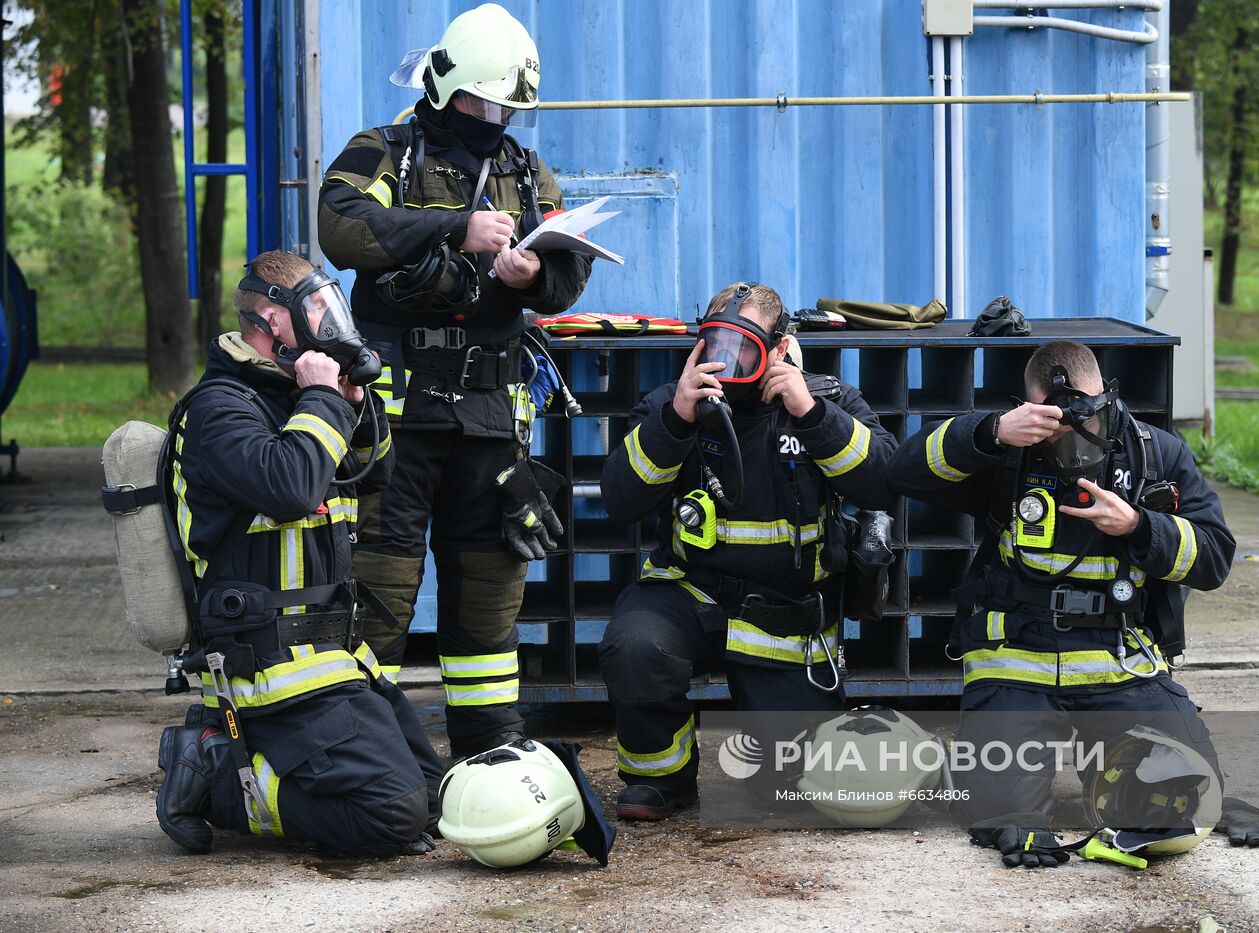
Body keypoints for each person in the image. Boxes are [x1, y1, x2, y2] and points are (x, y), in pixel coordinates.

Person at [890, 339, 1259, 866]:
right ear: (1030, 406)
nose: (1073, 434)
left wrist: (1138, 526)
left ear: (1106, 397)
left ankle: (1107, 762)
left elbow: (1215, 559)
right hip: (1018, 661)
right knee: (998, 815)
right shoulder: (1007, 452)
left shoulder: (1154, 453)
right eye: (1054, 419)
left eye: (1087, 415)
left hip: (1117, 661)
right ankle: (976, 771)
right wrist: (991, 431)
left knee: (1182, 794)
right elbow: (902, 471)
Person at [317, 3, 591, 759]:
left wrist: (535, 272)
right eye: (483, 101)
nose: (496, 117)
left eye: (508, 105)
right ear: (446, 91)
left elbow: (569, 274)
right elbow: (339, 225)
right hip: (398, 425)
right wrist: (452, 229)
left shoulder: (525, 171)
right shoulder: (383, 151)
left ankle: (489, 753)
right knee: (380, 589)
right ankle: (362, 752)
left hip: (490, 424)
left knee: (487, 599)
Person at [155, 250, 446, 856]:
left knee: (431, 797)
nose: (329, 323)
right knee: (391, 815)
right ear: (270, 320)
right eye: (315, 309)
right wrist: (323, 400)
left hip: (331, 659)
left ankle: (235, 765)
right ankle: (218, 781)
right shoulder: (218, 409)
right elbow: (289, 489)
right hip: (266, 668)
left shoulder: (297, 400)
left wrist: (354, 407)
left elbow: (372, 476)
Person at [598, 282, 898, 820]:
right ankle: (663, 780)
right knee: (636, 645)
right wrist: (676, 421)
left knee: (789, 795)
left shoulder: (827, 402)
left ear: (779, 350)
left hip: (783, 615)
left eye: (744, 348)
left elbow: (884, 483)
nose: (725, 362)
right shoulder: (669, 404)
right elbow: (620, 500)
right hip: (688, 594)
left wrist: (810, 414)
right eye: (713, 345)